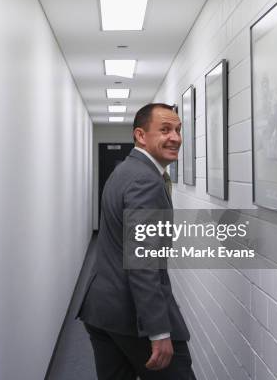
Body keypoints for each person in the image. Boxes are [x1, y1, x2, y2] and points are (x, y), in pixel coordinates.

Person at [77, 103, 195, 380]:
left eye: (178, 130)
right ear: (141, 135)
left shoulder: (125, 171)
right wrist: (159, 330)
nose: (176, 137)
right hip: (133, 318)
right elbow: (142, 261)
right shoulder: (146, 181)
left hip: (103, 311)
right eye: (165, 129)